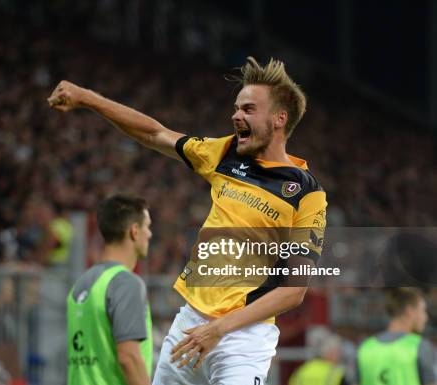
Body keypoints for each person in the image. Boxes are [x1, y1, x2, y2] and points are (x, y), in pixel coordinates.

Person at [50, 56, 327, 384]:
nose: (236, 115)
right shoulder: (224, 154)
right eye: (236, 108)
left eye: (249, 109)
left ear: (279, 119)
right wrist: (88, 99)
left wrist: (218, 329)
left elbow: (293, 292)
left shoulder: (306, 194)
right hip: (191, 323)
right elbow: (155, 134)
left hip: (244, 338)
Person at [67, 194, 153, 385]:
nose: (150, 234)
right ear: (134, 231)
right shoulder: (126, 283)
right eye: (147, 226)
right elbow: (128, 358)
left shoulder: (82, 284)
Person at [357, 288, 436, 385]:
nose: (426, 317)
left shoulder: (365, 348)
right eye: (423, 311)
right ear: (409, 312)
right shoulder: (419, 346)